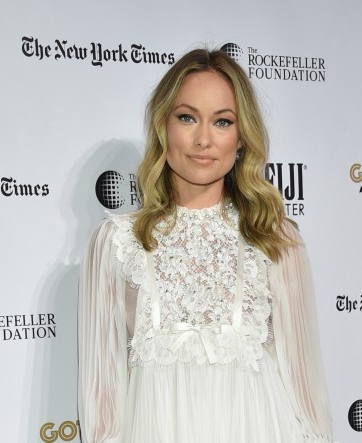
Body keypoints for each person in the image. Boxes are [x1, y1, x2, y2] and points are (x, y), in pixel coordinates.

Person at [78, 47, 334, 443]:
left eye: (222, 122)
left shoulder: (274, 236)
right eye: (187, 117)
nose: (203, 140)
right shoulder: (115, 243)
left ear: (241, 137)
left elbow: (304, 389)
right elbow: (102, 405)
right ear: (164, 127)